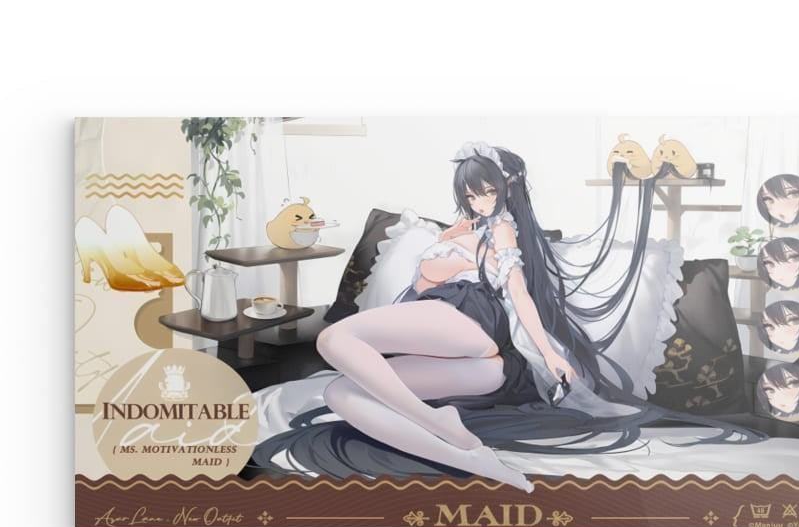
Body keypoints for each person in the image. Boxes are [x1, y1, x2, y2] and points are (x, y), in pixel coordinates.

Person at [253, 143, 759, 488]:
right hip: (478, 363)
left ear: (507, 188)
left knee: (334, 340)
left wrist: (550, 356)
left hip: (471, 320)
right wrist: (445, 246)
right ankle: (471, 457)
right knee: (341, 393)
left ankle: (439, 423)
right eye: (471, 194)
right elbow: (422, 285)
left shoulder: (503, 229)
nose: (479, 202)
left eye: (487, 191)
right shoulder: (465, 228)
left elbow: (517, 294)